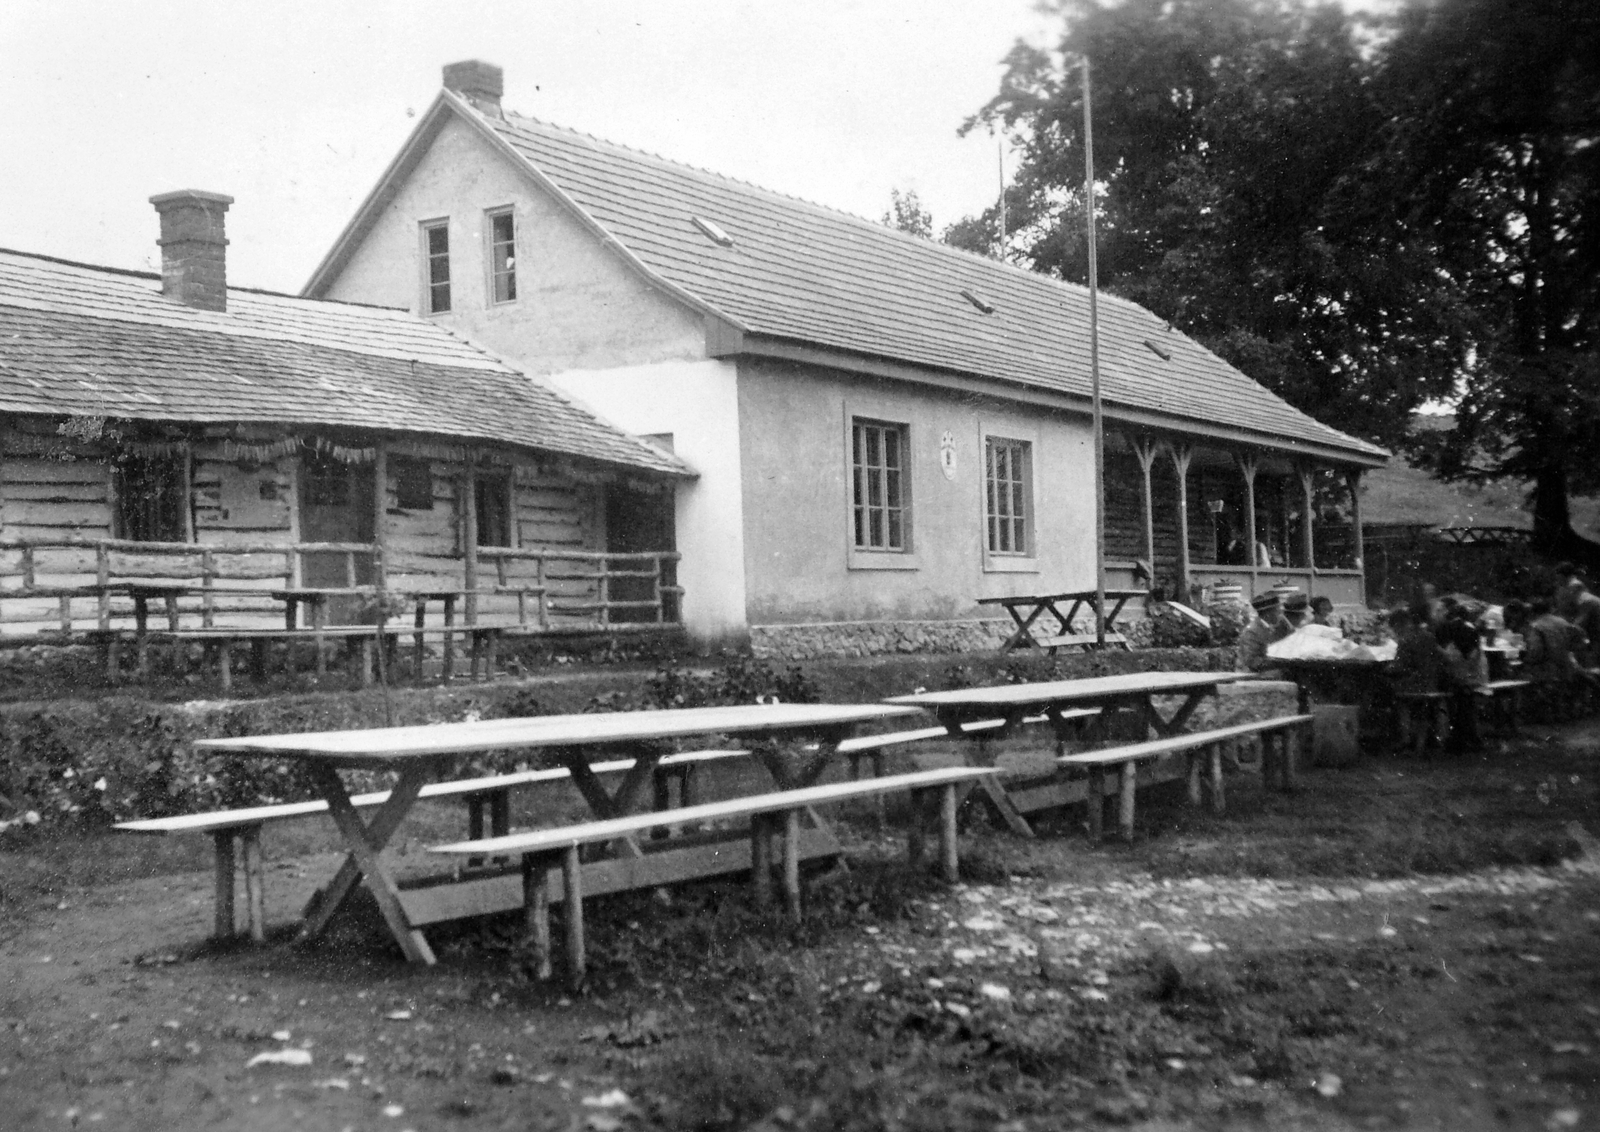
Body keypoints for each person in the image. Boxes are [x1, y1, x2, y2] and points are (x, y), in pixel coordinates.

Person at [1439, 616, 1486, 752]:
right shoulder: (1474, 649)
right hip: (1472, 682)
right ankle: (1470, 737)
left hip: (1460, 684)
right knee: (1466, 704)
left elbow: (1451, 663)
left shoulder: (1453, 649)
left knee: (1454, 701)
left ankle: (1455, 737)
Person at [1236, 592, 1293, 672]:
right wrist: (1281, 661)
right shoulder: (1252, 632)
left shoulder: (1278, 627)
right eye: (1278, 612)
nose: (1281, 616)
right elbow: (1252, 661)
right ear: (1268, 613)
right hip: (1252, 677)